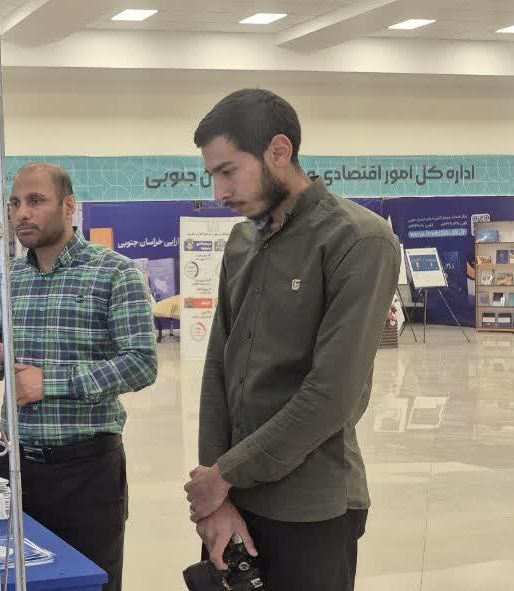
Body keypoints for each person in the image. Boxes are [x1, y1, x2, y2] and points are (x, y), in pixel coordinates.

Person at [184, 89, 399, 590]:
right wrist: (215, 496)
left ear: (279, 151)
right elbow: (218, 368)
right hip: (231, 504)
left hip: (311, 509)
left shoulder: (359, 240)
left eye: (228, 171)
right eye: (212, 175)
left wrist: (224, 475)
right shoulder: (241, 242)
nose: (219, 192)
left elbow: (331, 396)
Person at [0, 163, 158, 591]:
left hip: (86, 474)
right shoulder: (9, 279)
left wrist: (50, 382)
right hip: (13, 468)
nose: (22, 213)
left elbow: (141, 363)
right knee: (17, 581)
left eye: (36, 201)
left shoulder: (115, 273)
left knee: (87, 583)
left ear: (69, 207)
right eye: (15, 203)